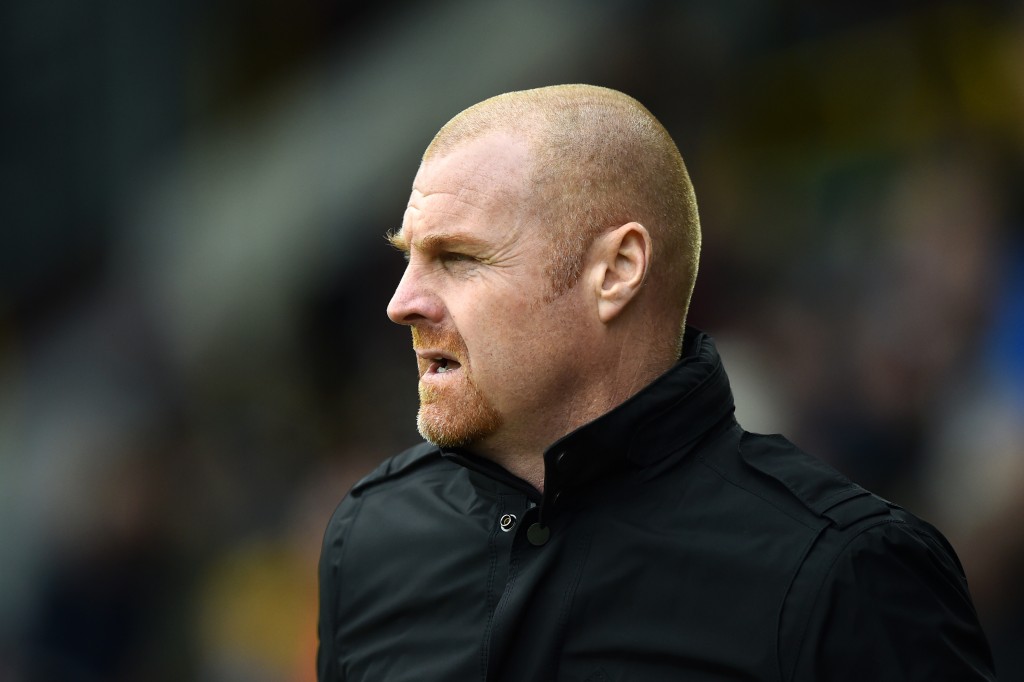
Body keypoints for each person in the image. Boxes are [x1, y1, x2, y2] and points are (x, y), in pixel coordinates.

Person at [317, 84, 996, 681]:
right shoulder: (370, 536)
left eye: (459, 258)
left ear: (616, 272)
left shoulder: (845, 571)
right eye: (409, 258)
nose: (402, 303)